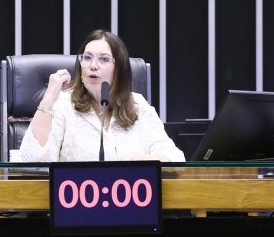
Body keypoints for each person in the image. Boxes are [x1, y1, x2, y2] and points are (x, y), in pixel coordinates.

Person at [16, 29, 185, 162]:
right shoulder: (63, 104)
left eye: (104, 59)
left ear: (119, 68)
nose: (93, 65)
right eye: (87, 58)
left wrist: (145, 160)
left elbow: (175, 157)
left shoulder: (138, 105)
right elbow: (31, 162)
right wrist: (49, 96)